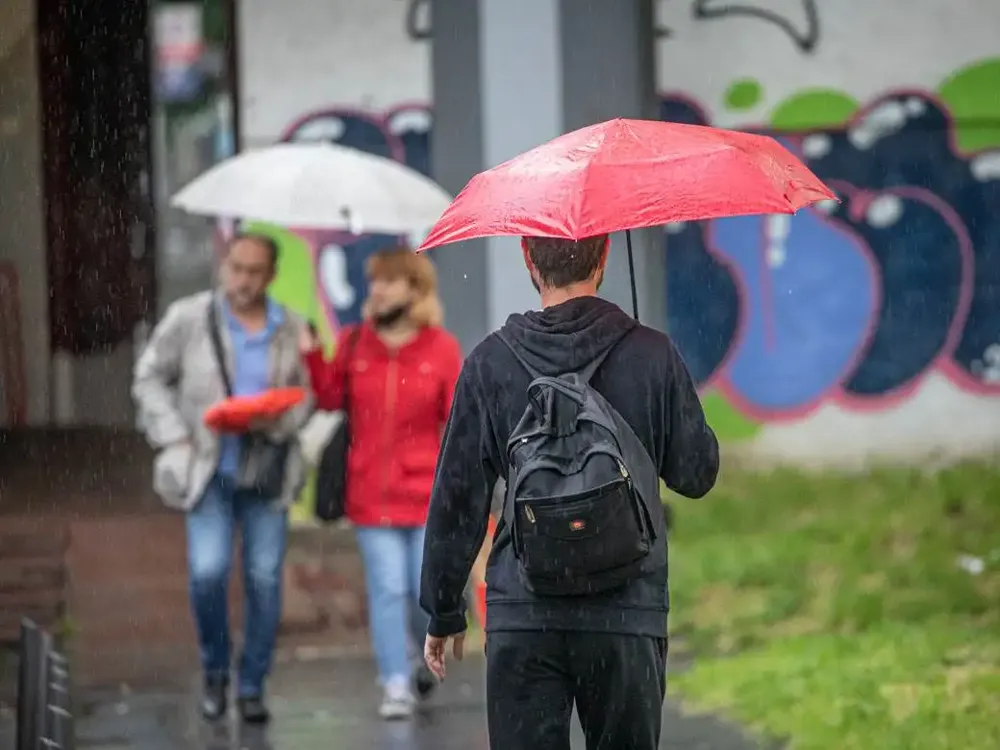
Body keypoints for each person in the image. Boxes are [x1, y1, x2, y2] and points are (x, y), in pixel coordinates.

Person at [420, 234, 720, 750]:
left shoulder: (490, 361)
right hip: (626, 612)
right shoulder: (650, 352)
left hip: (525, 612)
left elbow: (457, 497)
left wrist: (444, 608)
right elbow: (696, 475)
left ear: (528, 259)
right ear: (604, 257)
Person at [132, 233, 312, 724]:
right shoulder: (191, 318)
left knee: (264, 577)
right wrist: (174, 435)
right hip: (208, 469)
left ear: (271, 276)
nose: (243, 280)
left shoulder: (291, 327)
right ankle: (215, 670)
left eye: (255, 271)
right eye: (236, 268)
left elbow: (308, 396)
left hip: (268, 470)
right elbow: (148, 376)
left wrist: (274, 418)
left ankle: (252, 684)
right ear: (222, 265)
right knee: (208, 572)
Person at [301, 247, 462, 720]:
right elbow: (332, 397)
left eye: (390, 281)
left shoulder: (442, 348)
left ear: (416, 290)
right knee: (387, 586)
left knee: (420, 589)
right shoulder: (354, 342)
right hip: (369, 492)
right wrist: (314, 353)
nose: (377, 290)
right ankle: (395, 680)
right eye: (374, 281)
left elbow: (456, 418)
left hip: (424, 494)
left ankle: (417, 654)